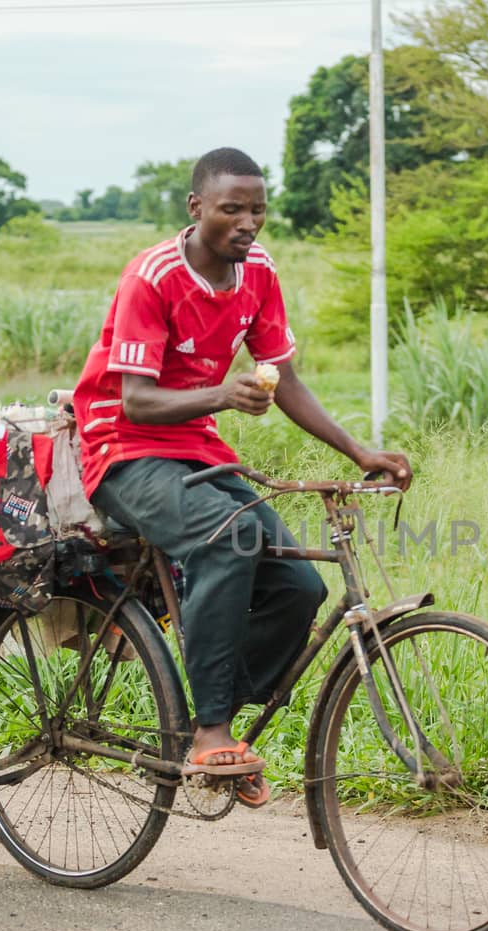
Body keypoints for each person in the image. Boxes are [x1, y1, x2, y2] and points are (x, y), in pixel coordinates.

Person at [71, 147, 411, 807]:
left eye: (257, 208)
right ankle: (211, 730)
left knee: (297, 582)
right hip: (122, 448)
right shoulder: (153, 276)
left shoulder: (258, 273)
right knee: (226, 540)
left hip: (195, 448)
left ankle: (208, 714)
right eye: (232, 208)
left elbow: (287, 380)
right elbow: (137, 399)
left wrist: (357, 450)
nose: (248, 222)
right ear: (197, 207)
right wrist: (225, 395)